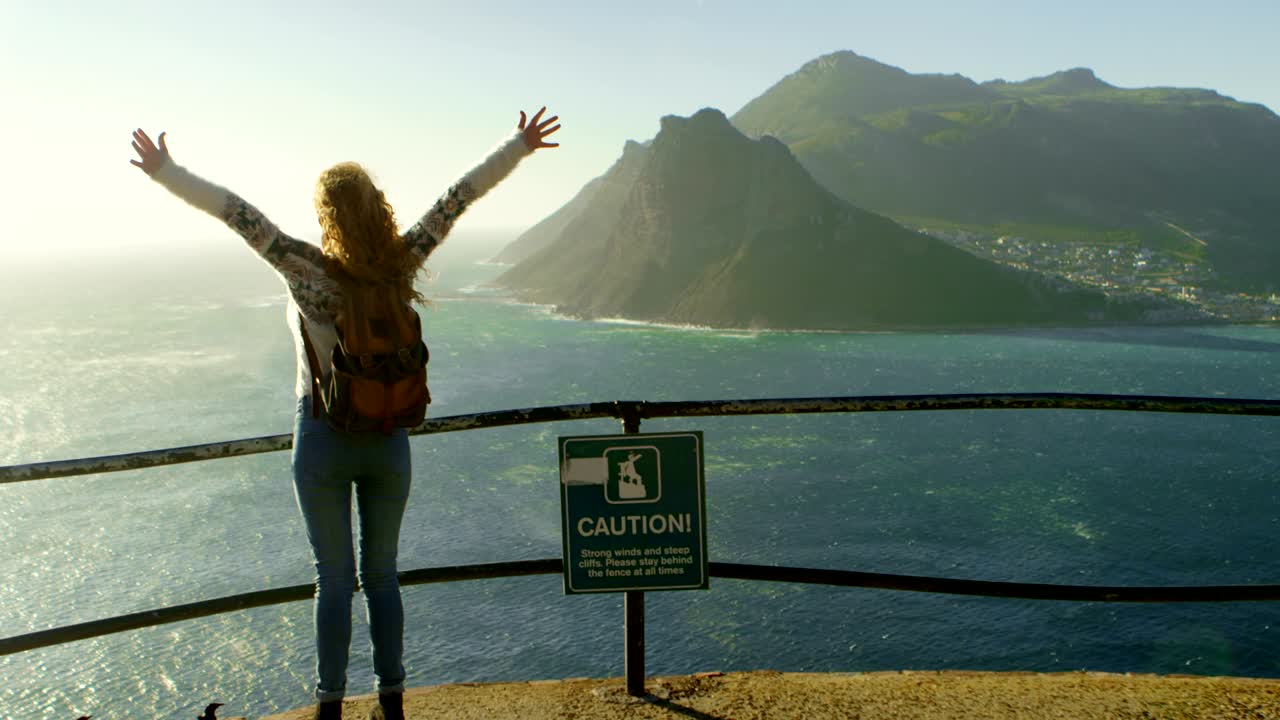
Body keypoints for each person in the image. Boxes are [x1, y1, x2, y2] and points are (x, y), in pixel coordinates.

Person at [130, 108, 561, 720]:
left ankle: (330, 705)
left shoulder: (303, 268)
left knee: (333, 579)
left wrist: (165, 172)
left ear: (326, 215)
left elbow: (235, 212)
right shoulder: (399, 265)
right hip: (389, 437)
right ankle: (392, 702)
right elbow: (456, 200)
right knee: (382, 576)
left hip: (322, 437)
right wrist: (518, 145)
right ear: (375, 208)